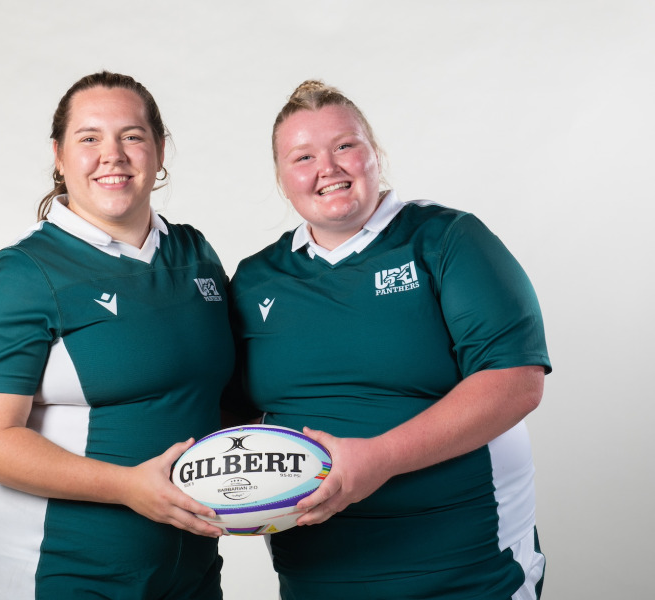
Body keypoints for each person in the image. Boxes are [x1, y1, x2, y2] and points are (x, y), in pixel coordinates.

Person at [223, 80, 551, 599]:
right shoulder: (256, 278)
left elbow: (516, 382)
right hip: (318, 576)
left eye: (345, 146)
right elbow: (232, 416)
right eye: (303, 156)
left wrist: (377, 459)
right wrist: (231, 492)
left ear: (375, 155)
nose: (327, 168)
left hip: (467, 571)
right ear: (283, 179)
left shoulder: (448, 240)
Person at [0, 71, 234, 600]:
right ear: (59, 155)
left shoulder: (194, 254)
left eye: (132, 136)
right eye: (89, 138)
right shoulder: (21, 275)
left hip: (189, 568)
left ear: (159, 150)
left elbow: (213, 398)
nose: (113, 154)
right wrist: (129, 487)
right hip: (65, 570)